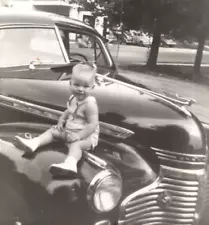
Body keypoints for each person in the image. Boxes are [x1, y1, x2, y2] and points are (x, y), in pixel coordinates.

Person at [14, 63, 99, 179]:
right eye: (76, 85)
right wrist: (61, 121)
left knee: (76, 146)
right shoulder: (73, 98)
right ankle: (34, 143)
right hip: (70, 131)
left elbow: (92, 124)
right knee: (52, 131)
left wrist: (78, 136)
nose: (80, 89)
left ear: (92, 87)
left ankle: (70, 164)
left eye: (85, 86)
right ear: (70, 84)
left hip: (85, 137)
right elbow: (69, 111)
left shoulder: (90, 104)